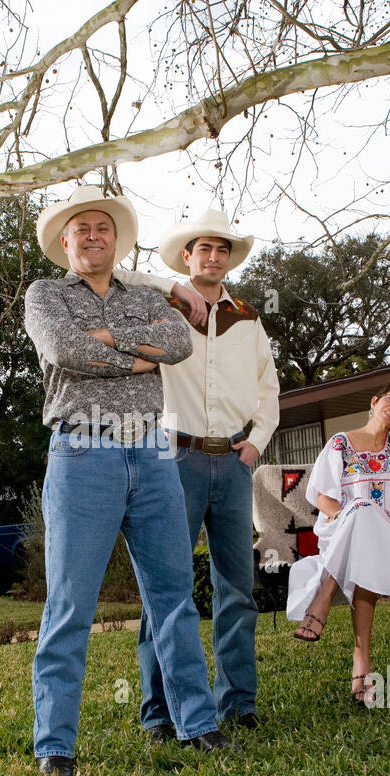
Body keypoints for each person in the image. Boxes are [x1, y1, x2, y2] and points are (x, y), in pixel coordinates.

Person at [23, 185, 235, 776]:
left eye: (103, 228)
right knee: (70, 603)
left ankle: (198, 722)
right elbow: (63, 351)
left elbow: (179, 342)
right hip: (81, 448)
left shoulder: (141, 295)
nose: (93, 236)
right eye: (81, 229)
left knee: (173, 596)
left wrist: (112, 344)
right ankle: (56, 745)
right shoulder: (44, 295)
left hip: (152, 448)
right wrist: (140, 355)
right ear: (65, 242)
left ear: (116, 240)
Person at [119, 209, 280, 738]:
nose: (213, 258)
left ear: (229, 259)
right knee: (166, 587)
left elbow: (269, 392)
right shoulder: (161, 303)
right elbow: (120, 272)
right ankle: (160, 711)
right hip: (174, 459)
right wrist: (170, 286)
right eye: (203, 249)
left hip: (232, 464)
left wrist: (255, 445)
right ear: (186, 257)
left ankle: (237, 703)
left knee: (236, 587)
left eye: (222, 250)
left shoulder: (250, 319)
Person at [285, 377, 390, 705]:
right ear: (374, 401)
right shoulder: (341, 443)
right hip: (343, 529)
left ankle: (323, 600)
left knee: (366, 514)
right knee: (361, 513)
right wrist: (349, 518)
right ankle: (361, 661)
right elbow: (323, 498)